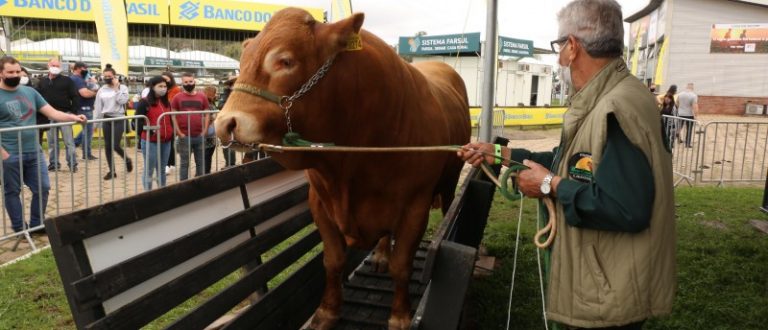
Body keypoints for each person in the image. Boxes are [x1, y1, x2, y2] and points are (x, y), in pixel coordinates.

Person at [458, 1, 675, 329]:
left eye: (559, 46)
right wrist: (501, 155)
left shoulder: (616, 108)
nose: (559, 55)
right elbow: (571, 163)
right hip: (605, 284)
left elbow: (627, 208)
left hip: (609, 294)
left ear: (572, 47)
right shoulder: (608, 98)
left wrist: (548, 185)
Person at [0, 56, 87, 233]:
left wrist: (73, 117)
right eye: (10, 72)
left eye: (17, 71)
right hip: (9, 153)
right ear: (1, 73)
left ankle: (36, 225)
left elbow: (53, 112)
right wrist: (3, 154)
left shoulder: (30, 92)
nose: (15, 75)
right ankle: (19, 228)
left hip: (34, 151)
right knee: (12, 192)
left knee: (43, 188)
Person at [36, 57, 80, 172]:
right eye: (53, 65)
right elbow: (37, 98)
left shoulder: (67, 80)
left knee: (68, 141)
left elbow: (75, 96)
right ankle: (53, 164)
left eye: (57, 66)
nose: (55, 68)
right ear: (48, 66)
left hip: (64, 115)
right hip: (48, 116)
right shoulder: (42, 81)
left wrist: (73, 112)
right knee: (51, 142)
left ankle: (72, 163)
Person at [94, 65, 133, 180]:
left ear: (114, 77)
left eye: (109, 76)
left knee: (115, 145)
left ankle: (127, 159)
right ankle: (112, 171)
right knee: (107, 146)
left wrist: (116, 88)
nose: (107, 78)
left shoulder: (123, 88)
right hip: (106, 119)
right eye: (105, 76)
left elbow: (122, 101)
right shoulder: (101, 90)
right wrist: (95, 123)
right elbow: (98, 106)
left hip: (118, 118)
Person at [135, 76, 173, 191]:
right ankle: (148, 193)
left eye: (165, 86)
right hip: (150, 141)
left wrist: (172, 132)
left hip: (166, 141)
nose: (163, 89)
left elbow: (169, 119)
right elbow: (137, 121)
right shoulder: (144, 102)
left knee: (161, 169)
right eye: (160, 86)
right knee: (149, 169)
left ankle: (162, 191)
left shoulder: (167, 102)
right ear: (152, 87)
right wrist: (149, 131)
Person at [170, 72, 209, 180]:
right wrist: (179, 132)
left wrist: (205, 130)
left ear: (194, 81)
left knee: (201, 162)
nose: (188, 84)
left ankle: (201, 183)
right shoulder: (177, 97)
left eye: (190, 81)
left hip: (199, 136)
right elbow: (173, 116)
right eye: (186, 82)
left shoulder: (202, 96)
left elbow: (207, 114)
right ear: (182, 83)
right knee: (184, 163)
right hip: (184, 136)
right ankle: (183, 185)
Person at [71, 61, 99, 160]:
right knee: (88, 131)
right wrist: (95, 91)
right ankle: (86, 153)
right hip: (84, 108)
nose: (86, 70)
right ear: (78, 68)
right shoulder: (77, 79)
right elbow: (85, 93)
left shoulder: (77, 79)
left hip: (82, 107)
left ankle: (75, 144)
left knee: (86, 130)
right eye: (85, 68)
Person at [161, 72, 180, 175]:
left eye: (166, 79)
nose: (165, 81)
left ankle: (167, 165)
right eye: (162, 79)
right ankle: (171, 163)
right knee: (168, 142)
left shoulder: (175, 90)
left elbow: (172, 103)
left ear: (171, 79)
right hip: (163, 119)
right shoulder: (162, 89)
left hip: (172, 119)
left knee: (168, 142)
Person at [218, 77, 238, 167]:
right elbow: (220, 105)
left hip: (240, 124)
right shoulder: (225, 93)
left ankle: (250, 163)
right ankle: (230, 164)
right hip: (228, 124)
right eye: (234, 83)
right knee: (227, 144)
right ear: (230, 85)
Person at [677, 82, 699, 148]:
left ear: (686, 87)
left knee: (679, 126)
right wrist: (696, 116)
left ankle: (677, 134)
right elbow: (695, 106)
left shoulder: (680, 94)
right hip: (689, 114)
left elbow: (677, 102)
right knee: (689, 129)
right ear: (692, 87)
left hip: (680, 113)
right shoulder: (693, 95)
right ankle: (687, 144)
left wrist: (680, 108)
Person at [203, 85, 218, 174]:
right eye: (214, 93)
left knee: (207, 156)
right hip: (208, 133)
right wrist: (214, 117)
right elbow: (208, 117)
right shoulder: (207, 104)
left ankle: (205, 172)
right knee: (206, 156)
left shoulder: (210, 103)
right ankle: (205, 173)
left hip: (210, 134)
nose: (215, 95)